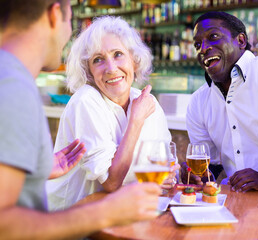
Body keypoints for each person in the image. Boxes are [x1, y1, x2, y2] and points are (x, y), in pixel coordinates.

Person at [0, 1, 161, 239]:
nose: (69, 35)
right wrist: (105, 212)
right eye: (70, 19)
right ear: (55, 15)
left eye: (118, 55)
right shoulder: (12, 86)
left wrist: (34, 171)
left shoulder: (11, 78)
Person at [46, 15, 175, 211]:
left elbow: (163, 163)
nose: (111, 68)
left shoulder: (148, 102)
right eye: (98, 60)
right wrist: (136, 120)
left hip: (123, 212)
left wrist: (171, 174)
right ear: (88, 72)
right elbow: (112, 182)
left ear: (134, 60)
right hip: (74, 222)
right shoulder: (86, 101)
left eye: (118, 54)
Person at [181, 11, 258, 191]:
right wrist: (199, 176)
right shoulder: (198, 102)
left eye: (213, 37)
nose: (203, 48)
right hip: (237, 202)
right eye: (197, 44)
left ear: (241, 41)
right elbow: (211, 165)